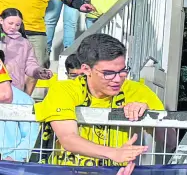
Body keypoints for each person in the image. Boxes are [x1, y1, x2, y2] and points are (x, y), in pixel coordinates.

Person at [35, 33, 165, 166]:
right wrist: (114, 153)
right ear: (86, 69)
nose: (117, 79)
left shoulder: (138, 91)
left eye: (122, 71)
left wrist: (150, 116)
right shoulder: (64, 90)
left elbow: (170, 141)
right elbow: (68, 138)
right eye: (108, 73)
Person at [0, 7, 50, 94]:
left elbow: (30, 65)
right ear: (1, 20)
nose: (13, 27)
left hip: (16, 89)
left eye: (17, 25)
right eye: (10, 23)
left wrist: (38, 71)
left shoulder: (25, 43)